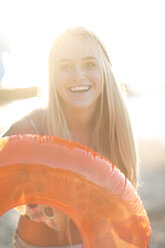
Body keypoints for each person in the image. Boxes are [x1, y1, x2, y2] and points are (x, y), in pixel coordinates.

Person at [2, 27, 138, 248]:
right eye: (64, 67)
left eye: (90, 64)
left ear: (105, 70)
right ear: (52, 76)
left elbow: (127, 216)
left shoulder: (114, 131)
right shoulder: (29, 130)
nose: (78, 75)